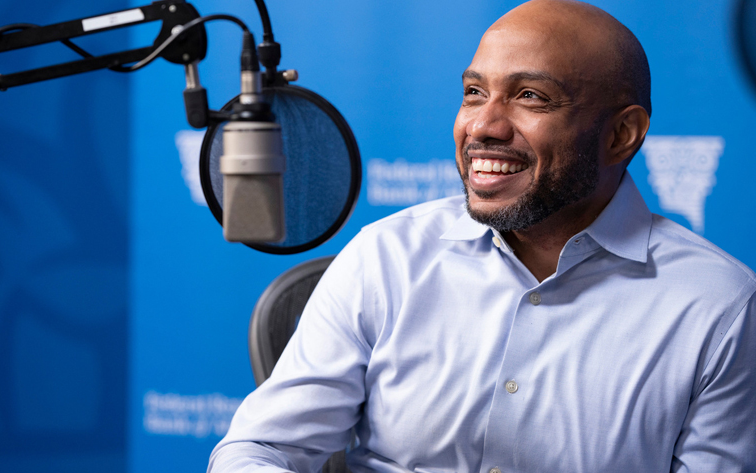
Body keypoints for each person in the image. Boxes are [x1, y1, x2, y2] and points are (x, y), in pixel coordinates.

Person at [208, 0, 756, 471]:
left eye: (531, 97)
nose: (484, 126)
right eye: (474, 92)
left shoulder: (721, 305)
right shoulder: (387, 256)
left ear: (622, 134)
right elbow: (258, 448)